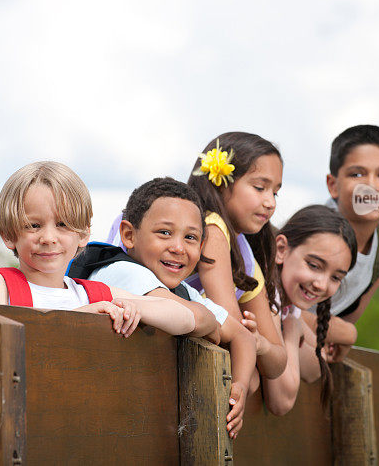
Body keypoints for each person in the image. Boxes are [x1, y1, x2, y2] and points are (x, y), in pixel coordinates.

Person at [70, 177, 257, 439]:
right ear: (128, 235)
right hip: (97, 417)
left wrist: (239, 385)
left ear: (201, 246)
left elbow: (243, 336)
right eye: (165, 233)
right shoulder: (121, 271)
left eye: (190, 237)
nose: (178, 247)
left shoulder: (183, 290)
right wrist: (210, 326)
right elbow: (188, 315)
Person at [0, 161, 196, 338]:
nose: (48, 238)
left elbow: (185, 317)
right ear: (9, 235)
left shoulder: (92, 293)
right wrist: (78, 318)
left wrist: (128, 306)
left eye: (62, 225)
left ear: (83, 234)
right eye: (33, 226)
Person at [185, 132, 287, 384]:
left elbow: (277, 361)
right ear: (221, 182)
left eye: (275, 193)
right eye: (260, 188)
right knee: (248, 379)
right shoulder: (211, 227)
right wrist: (248, 342)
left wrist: (260, 343)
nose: (270, 202)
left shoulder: (245, 252)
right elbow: (232, 331)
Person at [305, 125, 379, 363]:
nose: (370, 185)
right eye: (357, 174)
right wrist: (345, 333)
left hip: (314, 351)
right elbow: (278, 311)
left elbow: (350, 311)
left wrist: (339, 335)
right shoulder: (311, 233)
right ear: (333, 185)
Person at [256, 205, 357, 416]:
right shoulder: (265, 293)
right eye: (314, 265)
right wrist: (292, 335)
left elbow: (313, 370)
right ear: (282, 249)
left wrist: (298, 327)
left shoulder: (288, 302)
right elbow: (281, 401)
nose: (321, 284)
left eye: (335, 277)